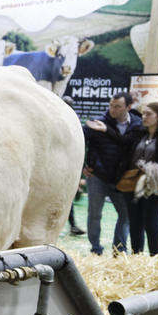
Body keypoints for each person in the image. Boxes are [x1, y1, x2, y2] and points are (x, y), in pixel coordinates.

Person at [86, 102, 158, 255]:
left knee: (151, 224)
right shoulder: (138, 132)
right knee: (135, 223)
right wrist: (105, 129)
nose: (144, 117)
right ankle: (137, 256)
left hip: (156, 186)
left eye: (149, 114)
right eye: (143, 113)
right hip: (133, 184)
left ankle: (157, 258)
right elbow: (122, 141)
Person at [82, 92, 142, 255]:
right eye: (111, 105)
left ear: (128, 107)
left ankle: (119, 249)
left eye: (118, 107)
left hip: (122, 180)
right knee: (94, 214)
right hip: (98, 177)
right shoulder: (97, 123)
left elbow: (128, 143)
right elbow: (80, 139)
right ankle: (96, 248)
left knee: (125, 215)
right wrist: (83, 166)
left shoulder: (137, 125)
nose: (113, 109)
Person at [62, 95, 85, 235]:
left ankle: (72, 225)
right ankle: (72, 225)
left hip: (65, 167)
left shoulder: (72, 125)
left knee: (66, 200)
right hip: (58, 167)